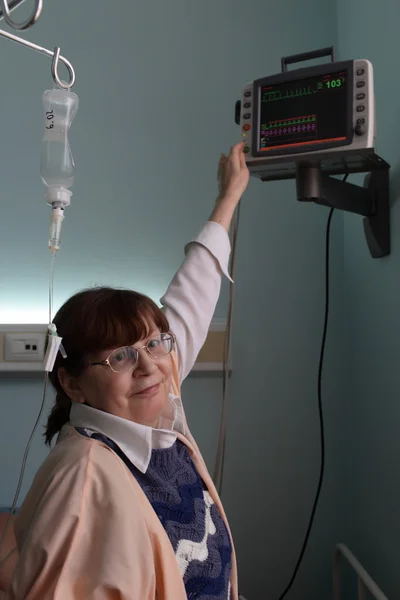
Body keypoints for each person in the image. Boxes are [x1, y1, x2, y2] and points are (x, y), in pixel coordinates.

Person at [7, 142, 250, 600]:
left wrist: (228, 198)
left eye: (154, 343)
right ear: (72, 382)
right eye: (119, 355)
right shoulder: (82, 485)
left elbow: (189, 299)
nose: (148, 365)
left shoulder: (152, 410)